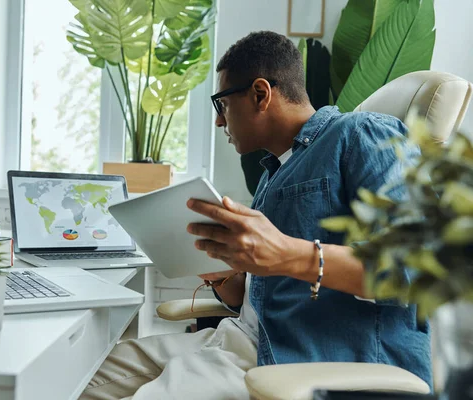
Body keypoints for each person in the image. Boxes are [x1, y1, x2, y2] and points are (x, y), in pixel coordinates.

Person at [81, 31, 430, 400]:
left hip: (293, 357)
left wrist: (288, 254)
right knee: (77, 375)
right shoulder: (273, 173)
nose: (219, 122)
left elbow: (416, 268)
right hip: (236, 338)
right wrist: (225, 277)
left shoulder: (362, 135)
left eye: (222, 104)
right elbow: (258, 296)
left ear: (260, 94)